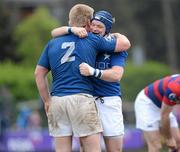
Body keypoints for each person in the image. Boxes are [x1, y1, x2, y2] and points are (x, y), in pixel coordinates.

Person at [35, 4, 130, 152]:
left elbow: (38, 73)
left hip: (57, 100)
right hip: (81, 99)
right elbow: (125, 44)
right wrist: (117, 35)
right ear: (87, 23)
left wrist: (47, 100)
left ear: (69, 21)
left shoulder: (52, 42)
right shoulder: (92, 39)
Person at [134, 74, 180, 152]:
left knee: (177, 142)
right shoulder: (175, 89)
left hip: (163, 106)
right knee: (156, 145)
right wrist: (169, 138)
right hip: (147, 104)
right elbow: (165, 115)